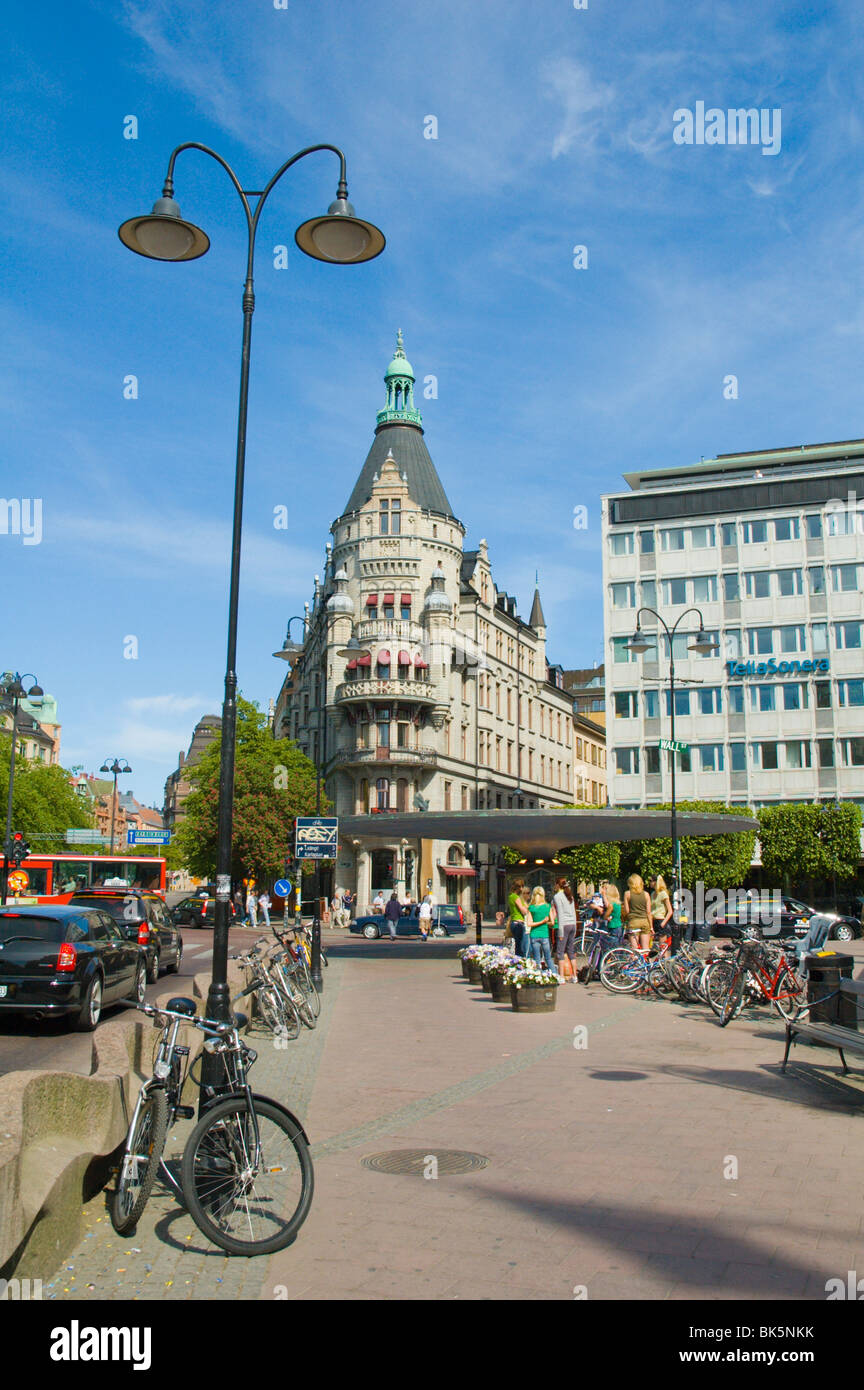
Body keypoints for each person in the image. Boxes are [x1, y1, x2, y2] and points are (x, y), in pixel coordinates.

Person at [553, 877, 579, 983]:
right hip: (572, 924)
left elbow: (560, 913)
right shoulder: (570, 896)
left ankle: (562, 976)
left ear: (558, 885)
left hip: (564, 925)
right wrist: (575, 926)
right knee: (570, 951)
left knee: (560, 951)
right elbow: (573, 912)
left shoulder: (557, 896)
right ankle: (574, 975)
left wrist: (560, 931)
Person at [525, 886, 556, 970]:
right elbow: (552, 922)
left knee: (537, 959)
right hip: (545, 935)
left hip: (534, 935)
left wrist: (540, 922)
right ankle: (554, 974)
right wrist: (544, 922)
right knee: (548, 958)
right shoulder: (547, 906)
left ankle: (539, 976)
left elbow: (529, 923)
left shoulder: (531, 908)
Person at [623, 873, 652, 952]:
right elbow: (649, 912)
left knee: (634, 948)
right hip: (645, 921)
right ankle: (646, 963)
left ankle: (635, 963)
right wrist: (651, 926)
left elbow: (627, 911)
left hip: (633, 922)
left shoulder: (627, 894)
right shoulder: (646, 895)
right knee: (645, 947)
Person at [506, 878, 531, 957]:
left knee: (518, 945)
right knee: (521, 947)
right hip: (519, 923)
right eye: (520, 886)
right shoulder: (516, 897)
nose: (522, 888)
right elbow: (523, 910)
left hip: (514, 922)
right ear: (517, 887)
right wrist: (528, 909)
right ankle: (520, 962)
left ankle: (518, 961)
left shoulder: (510, 896)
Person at [648, 874, 673, 941]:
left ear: (655, 882)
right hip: (653, 920)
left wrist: (663, 922)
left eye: (650, 881)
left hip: (660, 920)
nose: (649, 883)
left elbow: (670, 911)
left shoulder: (663, 894)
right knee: (651, 945)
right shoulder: (652, 894)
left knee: (662, 946)